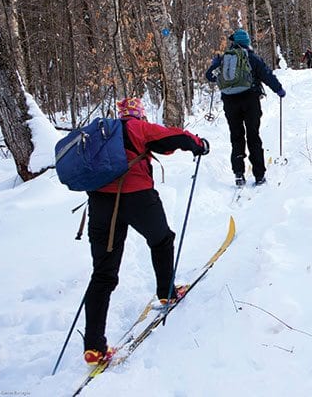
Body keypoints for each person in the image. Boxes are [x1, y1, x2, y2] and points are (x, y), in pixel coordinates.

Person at [83, 97, 209, 365]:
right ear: (139, 114)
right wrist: (198, 144)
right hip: (138, 198)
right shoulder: (137, 128)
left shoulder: (102, 135)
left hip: (101, 205)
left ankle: (93, 347)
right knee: (162, 240)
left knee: (103, 274)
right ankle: (167, 291)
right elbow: (173, 137)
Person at [205, 28, 285, 186]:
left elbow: (210, 76)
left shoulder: (224, 59)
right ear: (247, 42)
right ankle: (259, 175)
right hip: (250, 100)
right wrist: (279, 90)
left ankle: (238, 173)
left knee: (236, 136)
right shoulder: (253, 58)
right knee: (253, 136)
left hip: (230, 102)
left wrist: (215, 64)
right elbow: (267, 75)